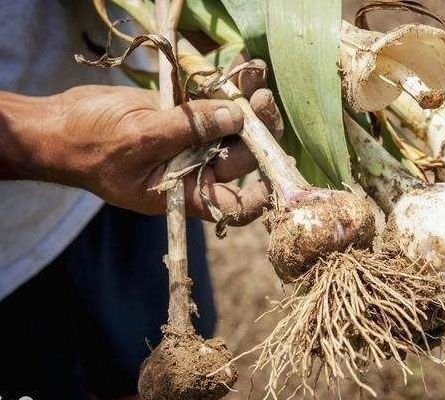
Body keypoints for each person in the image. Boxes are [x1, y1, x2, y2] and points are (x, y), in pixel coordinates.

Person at [0, 2, 282, 399]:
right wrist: (48, 137)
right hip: (8, 263)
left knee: (150, 375)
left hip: (134, 141)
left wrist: (217, 28)